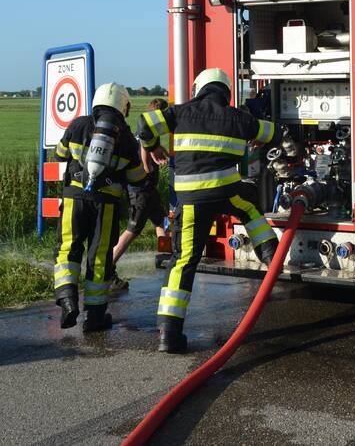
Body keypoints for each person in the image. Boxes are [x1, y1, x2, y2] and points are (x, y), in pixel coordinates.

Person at [137, 68, 278, 353]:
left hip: (190, 199)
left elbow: (144, 123)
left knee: (183, 261)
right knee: (249, 206)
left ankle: (168, 334)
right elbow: (273, 132)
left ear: (199, 90)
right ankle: (271, 256)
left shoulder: (180, 112)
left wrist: (153, 147)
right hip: (226, 192)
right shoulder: (239, 118)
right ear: (226, 92)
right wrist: (261, 138)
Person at [52, 83, 156, 332]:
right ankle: (95, 316)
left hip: (74, 199)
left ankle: (67, 300)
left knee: (68, 248)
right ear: (123, 106)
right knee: (99, 256)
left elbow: (59, 154)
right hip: (106, 206)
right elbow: (136, 178)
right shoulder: (127, 138)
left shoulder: (78, 125)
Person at [110, 98, 171, 290]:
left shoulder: (145, 128)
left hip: (147, 188)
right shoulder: (151, 129)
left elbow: (150, 147)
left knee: (160, 221)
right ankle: (107, 267)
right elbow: (145, 148)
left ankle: (166, 258)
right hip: (140, 189)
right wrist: (147, 167)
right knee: (133, 229)